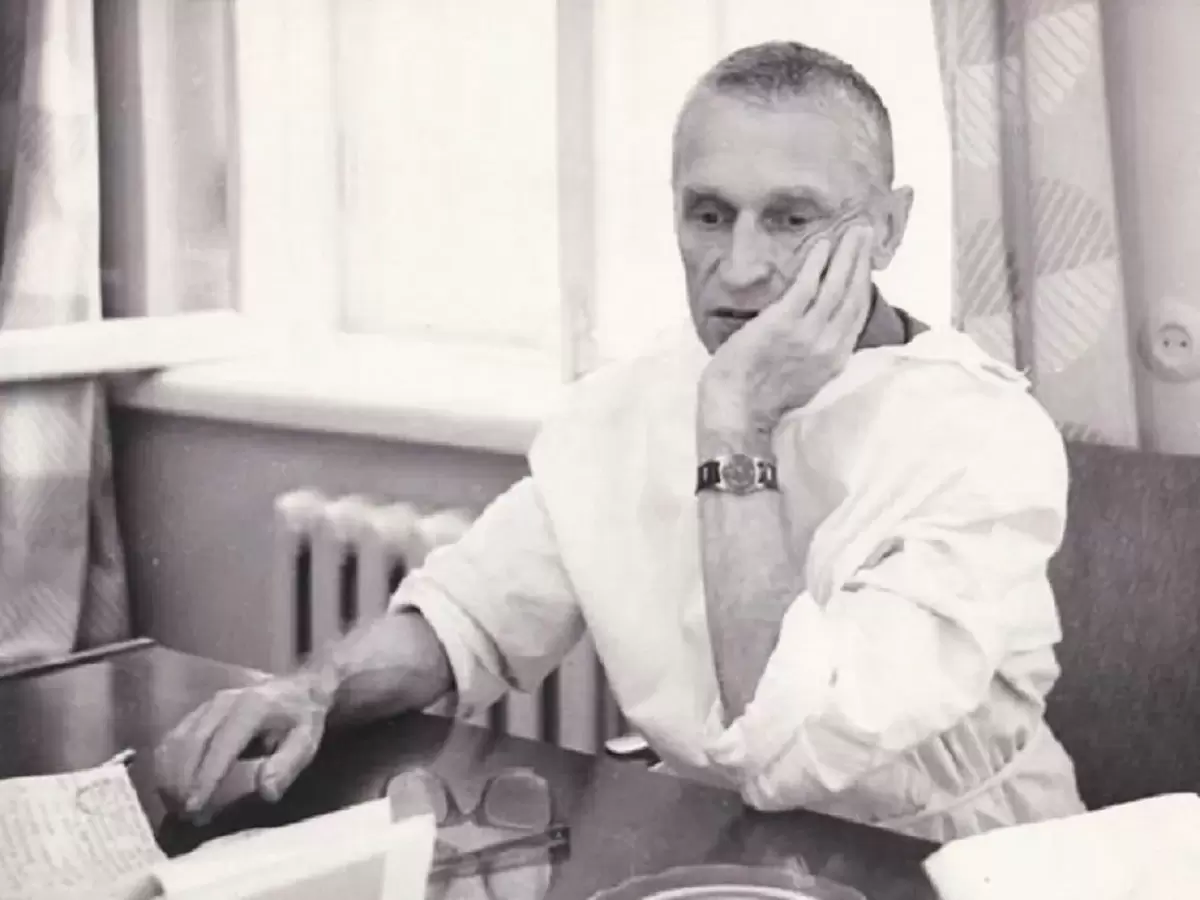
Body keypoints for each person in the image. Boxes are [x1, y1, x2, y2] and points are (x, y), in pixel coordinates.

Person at [155, 41, 1086, 843]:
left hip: (953, 858)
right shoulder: (630, 402)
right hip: (720, 840)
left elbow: (792, 743)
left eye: (792, 218)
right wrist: (317, 691)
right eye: (709, 214)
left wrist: (736, 419)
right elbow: (467, 615)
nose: (741, 267)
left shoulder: (982, 436)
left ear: (884, 230)